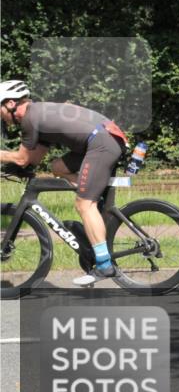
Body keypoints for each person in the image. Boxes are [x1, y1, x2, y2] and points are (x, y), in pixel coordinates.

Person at [0, 80, 129, 285]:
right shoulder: (38, 115)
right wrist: (18, 165)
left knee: (84, 204)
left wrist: (6, 158)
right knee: (58, 167)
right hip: (104, 138)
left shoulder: (29, 119)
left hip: (101, 143)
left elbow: (22, 159)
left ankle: (105, 266)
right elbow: (33, 158)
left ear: (10, 104)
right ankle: (89, 195)